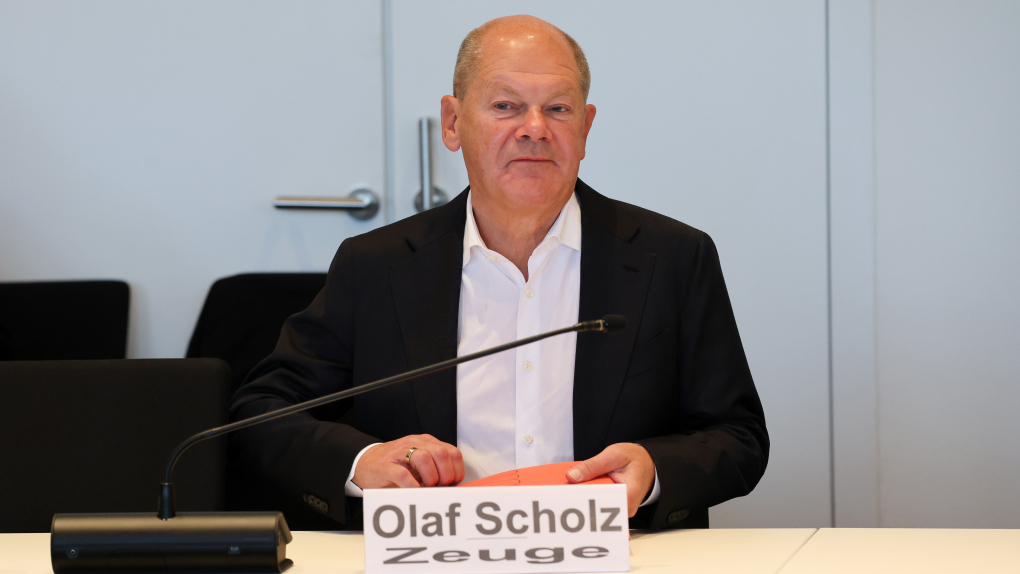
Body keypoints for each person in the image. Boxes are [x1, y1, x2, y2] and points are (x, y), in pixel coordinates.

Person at [230, 15, 768, 530]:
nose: (534, 129)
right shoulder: (375, 266)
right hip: (433, 558)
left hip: (618, 555)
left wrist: (653, 471)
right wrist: (363, 463)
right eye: (506, 106)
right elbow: (262, 412)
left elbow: (738, 435)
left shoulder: (672, 258)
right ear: (453, 122)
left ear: (585, 127)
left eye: (557, 108)